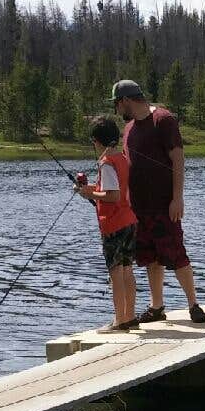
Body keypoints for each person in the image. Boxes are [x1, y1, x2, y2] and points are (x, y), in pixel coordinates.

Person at [110, 79, 205, 324]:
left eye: (117, 105)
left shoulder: (163, 120)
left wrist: (178, 198)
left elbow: (178, 159)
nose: (117, 111)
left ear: (126, 101)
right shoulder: (130, 128)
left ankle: (193, 304)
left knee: (176, 254)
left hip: (164, 204)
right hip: (137, 208)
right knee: (150, 258)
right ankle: (157, 307)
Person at [75, 116, 140, 333]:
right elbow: (114, 188)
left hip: (114, 225)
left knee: (116, 273)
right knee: (127, 270)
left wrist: (90, 193)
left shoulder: (106, 163)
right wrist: (89, 189)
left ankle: (119, 321)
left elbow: (112, 195)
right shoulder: (121, 158)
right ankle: (130, 317)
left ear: (96, 141)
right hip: (130, 222)